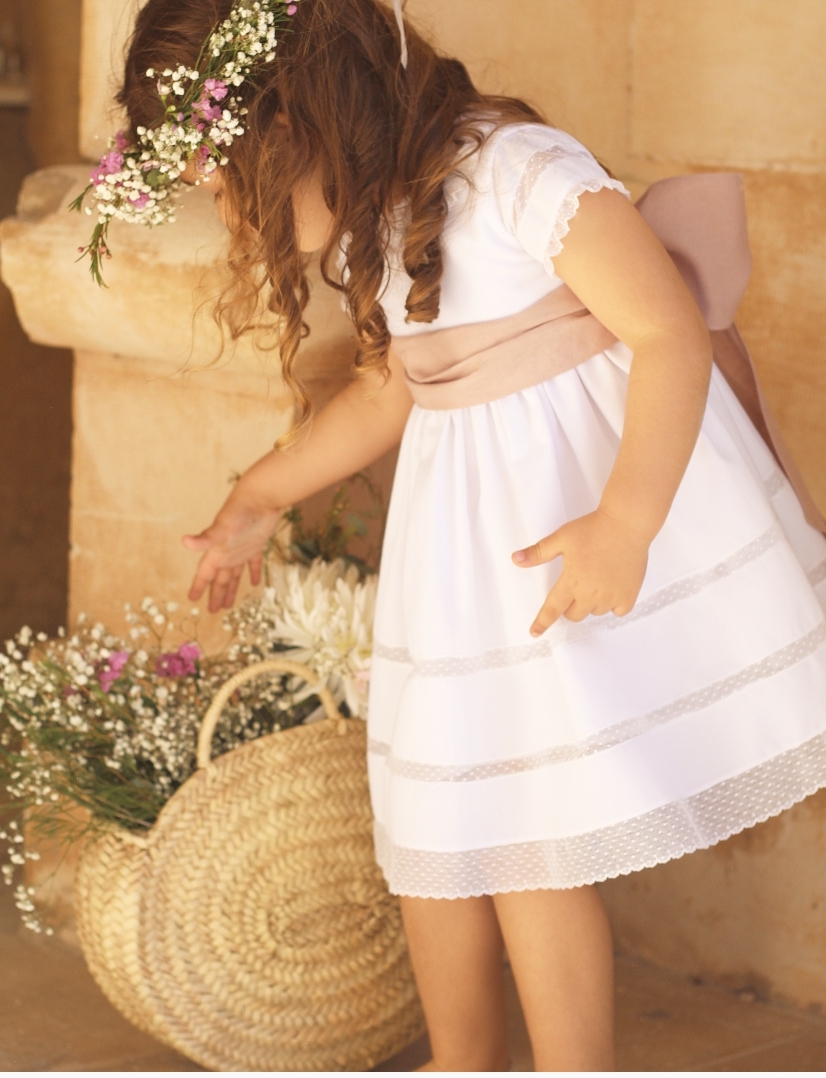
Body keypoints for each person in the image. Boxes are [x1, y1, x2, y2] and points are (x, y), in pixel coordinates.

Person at [115, 0, 826, 1069]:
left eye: (230, 182)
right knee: (435, 832)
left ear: (297, 121)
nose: (229, 212)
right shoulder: (384, 218)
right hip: (457, 570)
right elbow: (390, 389)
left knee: (527, 838)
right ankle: (463, 1059)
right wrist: (260, 494)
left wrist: (625, 521)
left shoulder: (517, 171)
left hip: (558, 540)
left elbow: (668, 333)